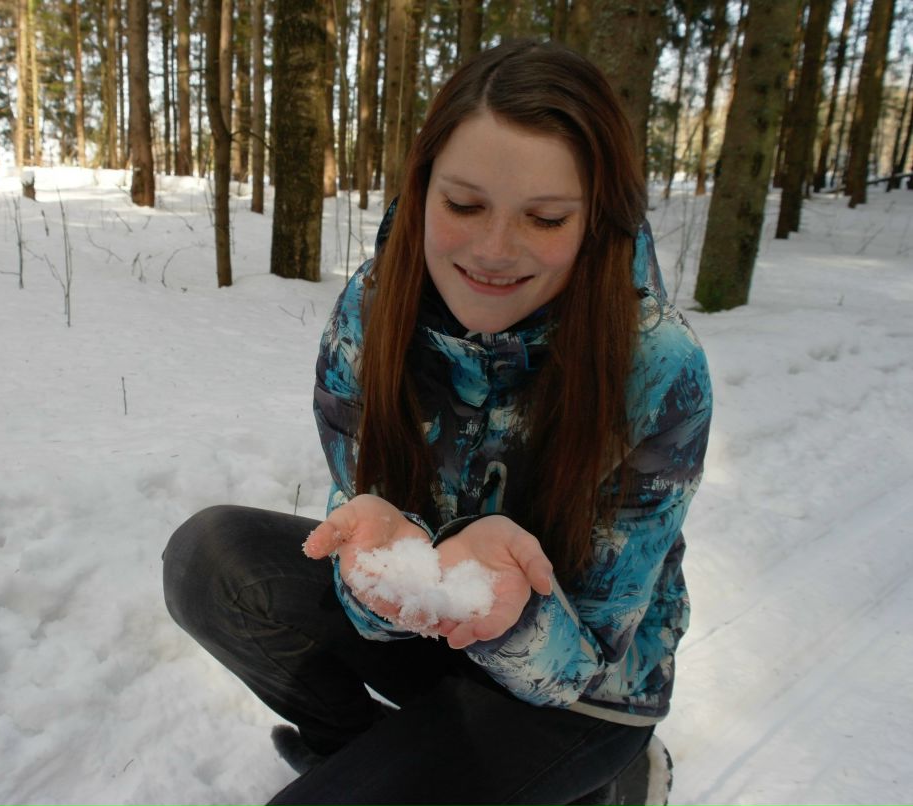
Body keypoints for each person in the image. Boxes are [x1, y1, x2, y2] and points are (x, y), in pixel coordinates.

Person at [163, 38, 711, 806]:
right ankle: (361, 755)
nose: (493, 250)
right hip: (438, 639)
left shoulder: (656, 367)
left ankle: (611, 782)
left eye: (545, 218)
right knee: (209, 559)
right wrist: (376, 574)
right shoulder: (374, 307)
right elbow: (361, 514)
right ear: (421, 191)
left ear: (597, 221)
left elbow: (585, 660)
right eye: (464, 205)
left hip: (577, 687)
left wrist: (510, 612)